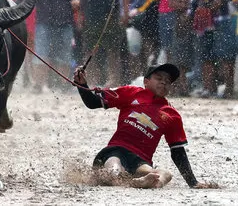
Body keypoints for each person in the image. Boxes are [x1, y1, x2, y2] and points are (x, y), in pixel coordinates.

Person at [73, 63, 218, 189]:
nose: (164, 83)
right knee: (114, 168)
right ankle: (127, 181)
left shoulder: (172, 115)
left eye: (168, 81)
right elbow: (92, 103)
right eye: (159, 78)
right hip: (115, 151)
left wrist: (193, 182)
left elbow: (178, 152)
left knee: (166, 174)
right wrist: (82, 85)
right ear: (146, 82)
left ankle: (148, 182)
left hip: (140, 161)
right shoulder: (130, 93)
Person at [190, 0, 237, 98]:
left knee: (226, 55)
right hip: (203, 17)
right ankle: (209, 88)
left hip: (222, 17)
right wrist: (195, 10)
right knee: (206, 54)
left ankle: (229, 89)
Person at [80, 0, 130, 86]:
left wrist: (125, 13)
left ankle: (114, 79)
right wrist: (80, 16)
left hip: (111, 19)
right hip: (91, 18)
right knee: (91, 52)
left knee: (113, 51)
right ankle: (93, 80)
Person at [32, 0, 80, 91]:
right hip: (44, 22)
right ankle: (39, 85)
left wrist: (77, 1)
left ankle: (63, 84)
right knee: (41, 53)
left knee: (64, 54)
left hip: (65, 22)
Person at [3, 0, 37, 89]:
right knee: (19, 49)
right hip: (17, 20)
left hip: (33, 19)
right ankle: (22, 78)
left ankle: (34, 79)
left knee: (33, 50)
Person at [169, 0, 195, 96]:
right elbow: (171, 3)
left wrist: (187, 2)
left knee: (195, 56)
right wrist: (186, 3)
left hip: (196, 24)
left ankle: (196, 86)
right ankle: (182, 87)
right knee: (179, 57)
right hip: (180, 24)